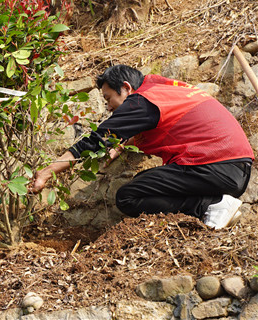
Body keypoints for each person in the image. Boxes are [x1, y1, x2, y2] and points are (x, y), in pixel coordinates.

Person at [31, 64, 254, 230]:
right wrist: (123, 143)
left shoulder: (141, 100)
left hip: (215, 165)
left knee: (128, 197)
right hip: (233, 168)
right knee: (143, 184)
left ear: (126, 88)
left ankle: (211, 205)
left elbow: (96, 139)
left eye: (109, 99)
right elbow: (164, 122)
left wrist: (46, 172)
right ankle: (215, 203)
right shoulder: (162, 90)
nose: (109, 108)